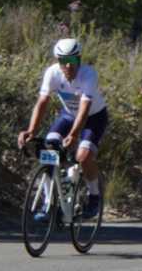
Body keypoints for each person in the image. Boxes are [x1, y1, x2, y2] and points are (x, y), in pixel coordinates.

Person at [17, 37, 106, 219]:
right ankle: (51, 203)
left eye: (72, 61)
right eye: (63, 62)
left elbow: (85, 108)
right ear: (58, 61)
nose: (68, 66)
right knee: (49, 147)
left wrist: (74, 135)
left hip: (94, 117)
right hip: (68, 115)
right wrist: (31, 130)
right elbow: (42, 102)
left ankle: (94, 195)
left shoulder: (88, 74)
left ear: (79, 60)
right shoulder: (52, 73)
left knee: (83, 156)